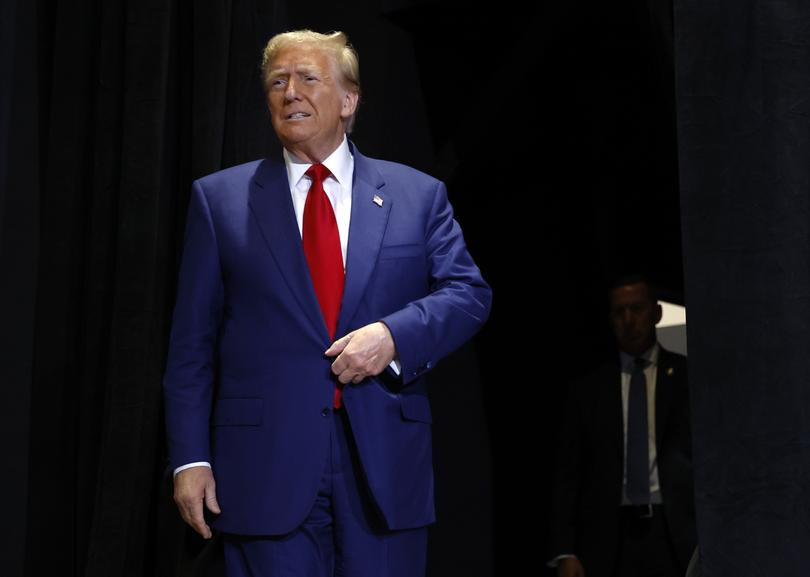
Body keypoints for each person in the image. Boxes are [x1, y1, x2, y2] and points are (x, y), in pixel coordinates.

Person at [162, 29, 491, 577]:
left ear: (348, 101)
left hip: (382, 467)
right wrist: (190, 458)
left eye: (308, 78)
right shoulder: (218, 201)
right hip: (264, 468)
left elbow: (469, 293)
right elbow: (191, 345)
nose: (290, 91)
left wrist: (393, 336)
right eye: (277, 81)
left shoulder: (417, 195)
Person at [549, 275, 696, 577]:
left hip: (675, 531)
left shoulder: (687, 378)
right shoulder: (590, 390)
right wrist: (565, 548)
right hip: (610, 537)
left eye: (637, 309)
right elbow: (569, 474)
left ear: (655, 313)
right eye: (620, 312)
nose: (629, 320)